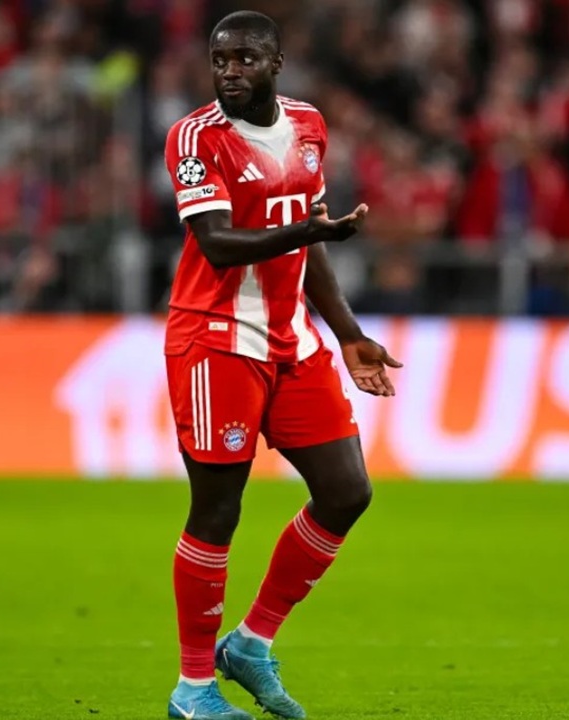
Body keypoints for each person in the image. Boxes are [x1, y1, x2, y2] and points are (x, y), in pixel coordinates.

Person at [161, 12, 402, 720]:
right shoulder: (196, 137)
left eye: (245, 59)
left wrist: (350, 332)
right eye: (219, 60)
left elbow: (311, 245)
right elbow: (217, 244)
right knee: (217, 510)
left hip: (291, 340)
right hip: (214, 341)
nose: (229, 71)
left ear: (277, 63)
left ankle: (252, 641)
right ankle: (193, 688)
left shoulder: (308, 126)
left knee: (347, 491)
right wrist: (307, 230)